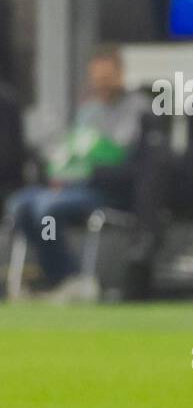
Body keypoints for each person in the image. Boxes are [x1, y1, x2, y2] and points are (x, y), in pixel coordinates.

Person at [4, 45, 149, 295]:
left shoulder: (137, 107)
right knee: (20, 205)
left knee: (45, 210)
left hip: (106, 189)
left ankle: (68, 276)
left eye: (106, 78)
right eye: (97, 79)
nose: (101, 84)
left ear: (120, 74)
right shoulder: (89, 111)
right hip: (72, 185)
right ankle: (56, 273)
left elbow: (118, 153)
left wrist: (90, 158)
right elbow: (71, 150)